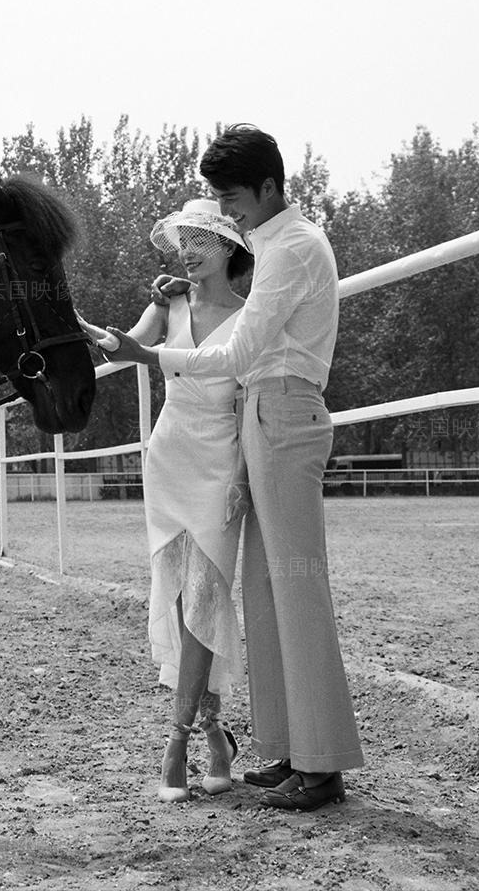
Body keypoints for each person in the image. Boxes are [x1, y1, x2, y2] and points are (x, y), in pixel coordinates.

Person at [108, 125, 363, 812]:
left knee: (297, 589)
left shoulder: (292, 247)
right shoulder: (276, 246)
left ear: (269, 188)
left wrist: (149, 358)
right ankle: (289, 751)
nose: (226, 211)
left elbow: (241, 350)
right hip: (263, 415)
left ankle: (323, 764)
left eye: (232, 197)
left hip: (283, 408)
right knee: (267, 590)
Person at [88, 200, 253, 802]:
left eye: (201, 239)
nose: (188, 249)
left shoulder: (250, 315)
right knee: (185, 598)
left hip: (219, 462)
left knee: (209, 595)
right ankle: (212, 734)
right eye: (183, 239)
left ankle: (178, 740)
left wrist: (240, 476)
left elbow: (246, 400)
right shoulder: (173, 302)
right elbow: (123, 347)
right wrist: (115, 316)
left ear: (229, 248)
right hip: (170, 454)